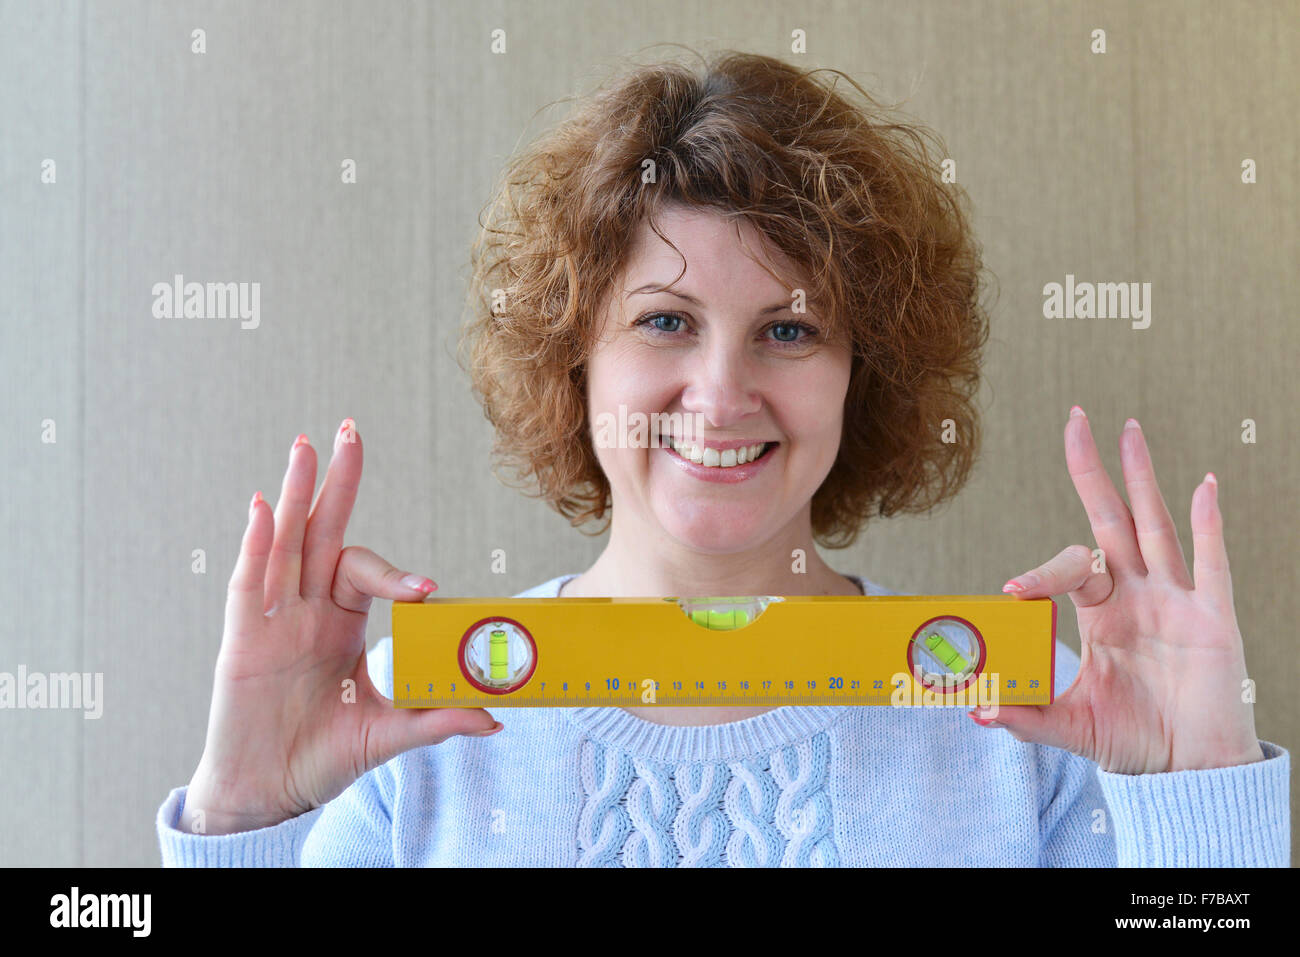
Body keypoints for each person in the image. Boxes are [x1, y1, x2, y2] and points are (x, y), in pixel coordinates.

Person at [156, 50, 1289, 866]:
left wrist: (1196, 793)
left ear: (863, 377)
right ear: (574, 363)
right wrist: (246, 819)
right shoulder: (415, 723)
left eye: (787, 330)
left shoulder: (1017, 725)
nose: (720, 393)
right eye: (662, 322)